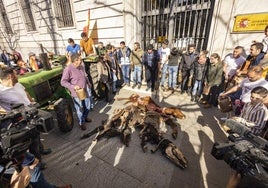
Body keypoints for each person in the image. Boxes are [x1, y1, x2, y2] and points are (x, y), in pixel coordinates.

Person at [0, 67, 52, 166]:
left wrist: (32, 102)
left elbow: (26, 93)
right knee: (32, 142)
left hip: (31, 113)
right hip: (21, 120)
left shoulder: (17, 84)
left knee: (37, 133)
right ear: (11, 76)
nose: (17, 75)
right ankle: (38, 163)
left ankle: (41, 150)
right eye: (16, 74)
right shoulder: (1, 92)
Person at [61, 53, 93, 130]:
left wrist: (88, 83)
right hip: (77, 93)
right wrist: (73, 87)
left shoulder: (81, 66)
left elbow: (85, 76)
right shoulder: (68, 69)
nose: (80, 61)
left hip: (85, 89)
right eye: (79, 60)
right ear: (74, 61)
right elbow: (63, 82)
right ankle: (81, 122)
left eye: (80, 59)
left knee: (88, 106)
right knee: (79, 108)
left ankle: (85, 117)